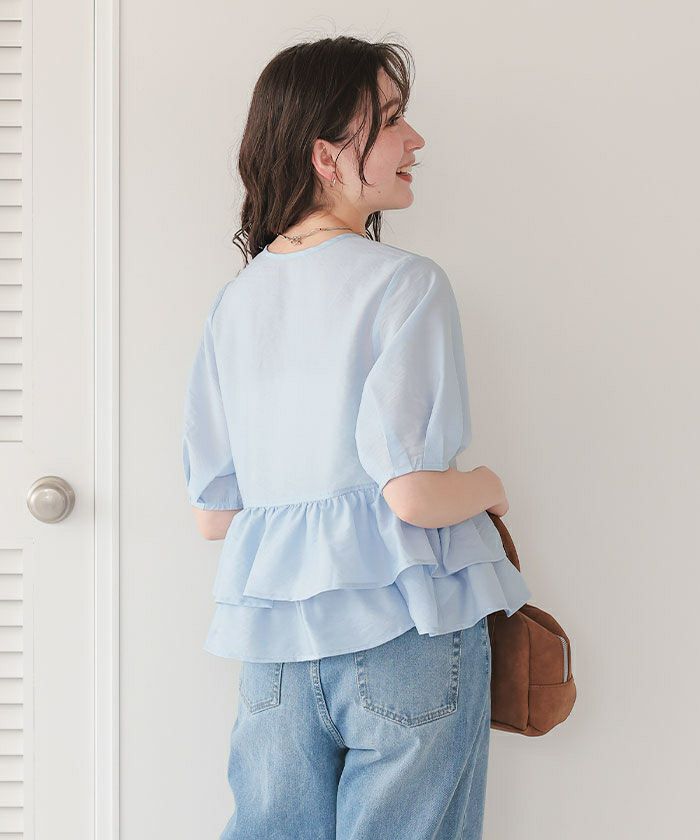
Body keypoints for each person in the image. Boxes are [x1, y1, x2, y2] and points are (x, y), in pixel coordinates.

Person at [182, 34, 532, 840]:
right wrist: (487, 486)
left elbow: (214, 515)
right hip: (406, 630)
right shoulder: (406, 284)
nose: (416, 140)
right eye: (393, 120)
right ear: (326, 156)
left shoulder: (235, 304)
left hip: (276, 648)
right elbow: (413, 496)